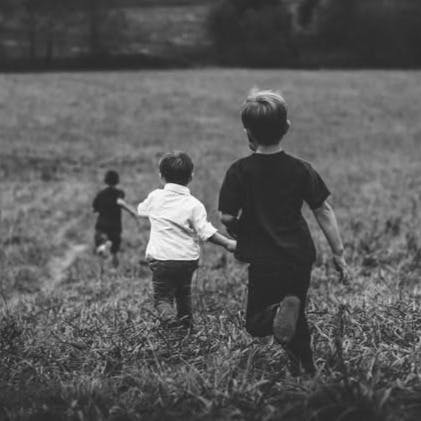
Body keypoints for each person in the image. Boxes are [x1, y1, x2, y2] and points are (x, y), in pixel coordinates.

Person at [218, 89, 350, 375]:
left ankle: (280, 315)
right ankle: (306, 369)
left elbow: (226, 215)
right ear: (286, 128)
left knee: (256, 321)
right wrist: (338, 253)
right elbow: (323, 211)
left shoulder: (240, 170)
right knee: (294, 315)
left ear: (247, 133)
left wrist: (238, 229)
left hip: (264, 259)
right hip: (299, 256)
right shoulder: (301, 169)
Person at [137, 152, 236, 329]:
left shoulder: (155, 197)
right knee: (184, 294)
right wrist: (228, 243)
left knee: (162, 299)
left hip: (161, 259)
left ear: (161, 176)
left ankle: (171, 322)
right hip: (187, 260)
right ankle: (187, 327)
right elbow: (206, 231)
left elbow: (141, 210)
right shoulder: (194, 204)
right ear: (191, 176)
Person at [92, 170, 137, 268]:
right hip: (115, 225)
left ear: (105, 180)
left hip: (102, 224)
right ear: (117, 181)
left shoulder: (100, 194)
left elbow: (94, 209)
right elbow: (120, 202)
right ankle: (114, 261)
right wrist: (132, 212)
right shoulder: (119, 193)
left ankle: (103, 246)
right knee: (115, 247)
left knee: (99, 239)